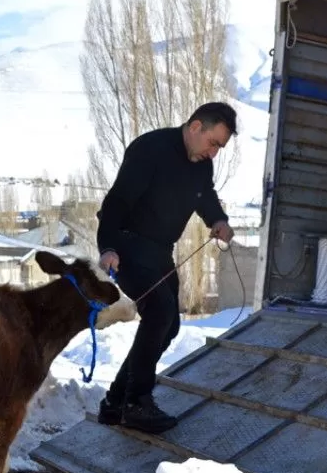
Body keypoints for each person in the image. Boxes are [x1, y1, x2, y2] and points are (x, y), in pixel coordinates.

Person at [95, 102, 237, 434]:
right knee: (158, 311)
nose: (214, 153)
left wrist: (217, 219)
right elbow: (116, 202)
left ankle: (117, 401)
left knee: (169, 324)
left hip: (160, 251)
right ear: (195, 127)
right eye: (213, 143)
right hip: (127, 244)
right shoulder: (151, 149)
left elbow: (205, 197)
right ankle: (136, 403)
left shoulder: (201, 165)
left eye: (220, 147)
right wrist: (108, 247)